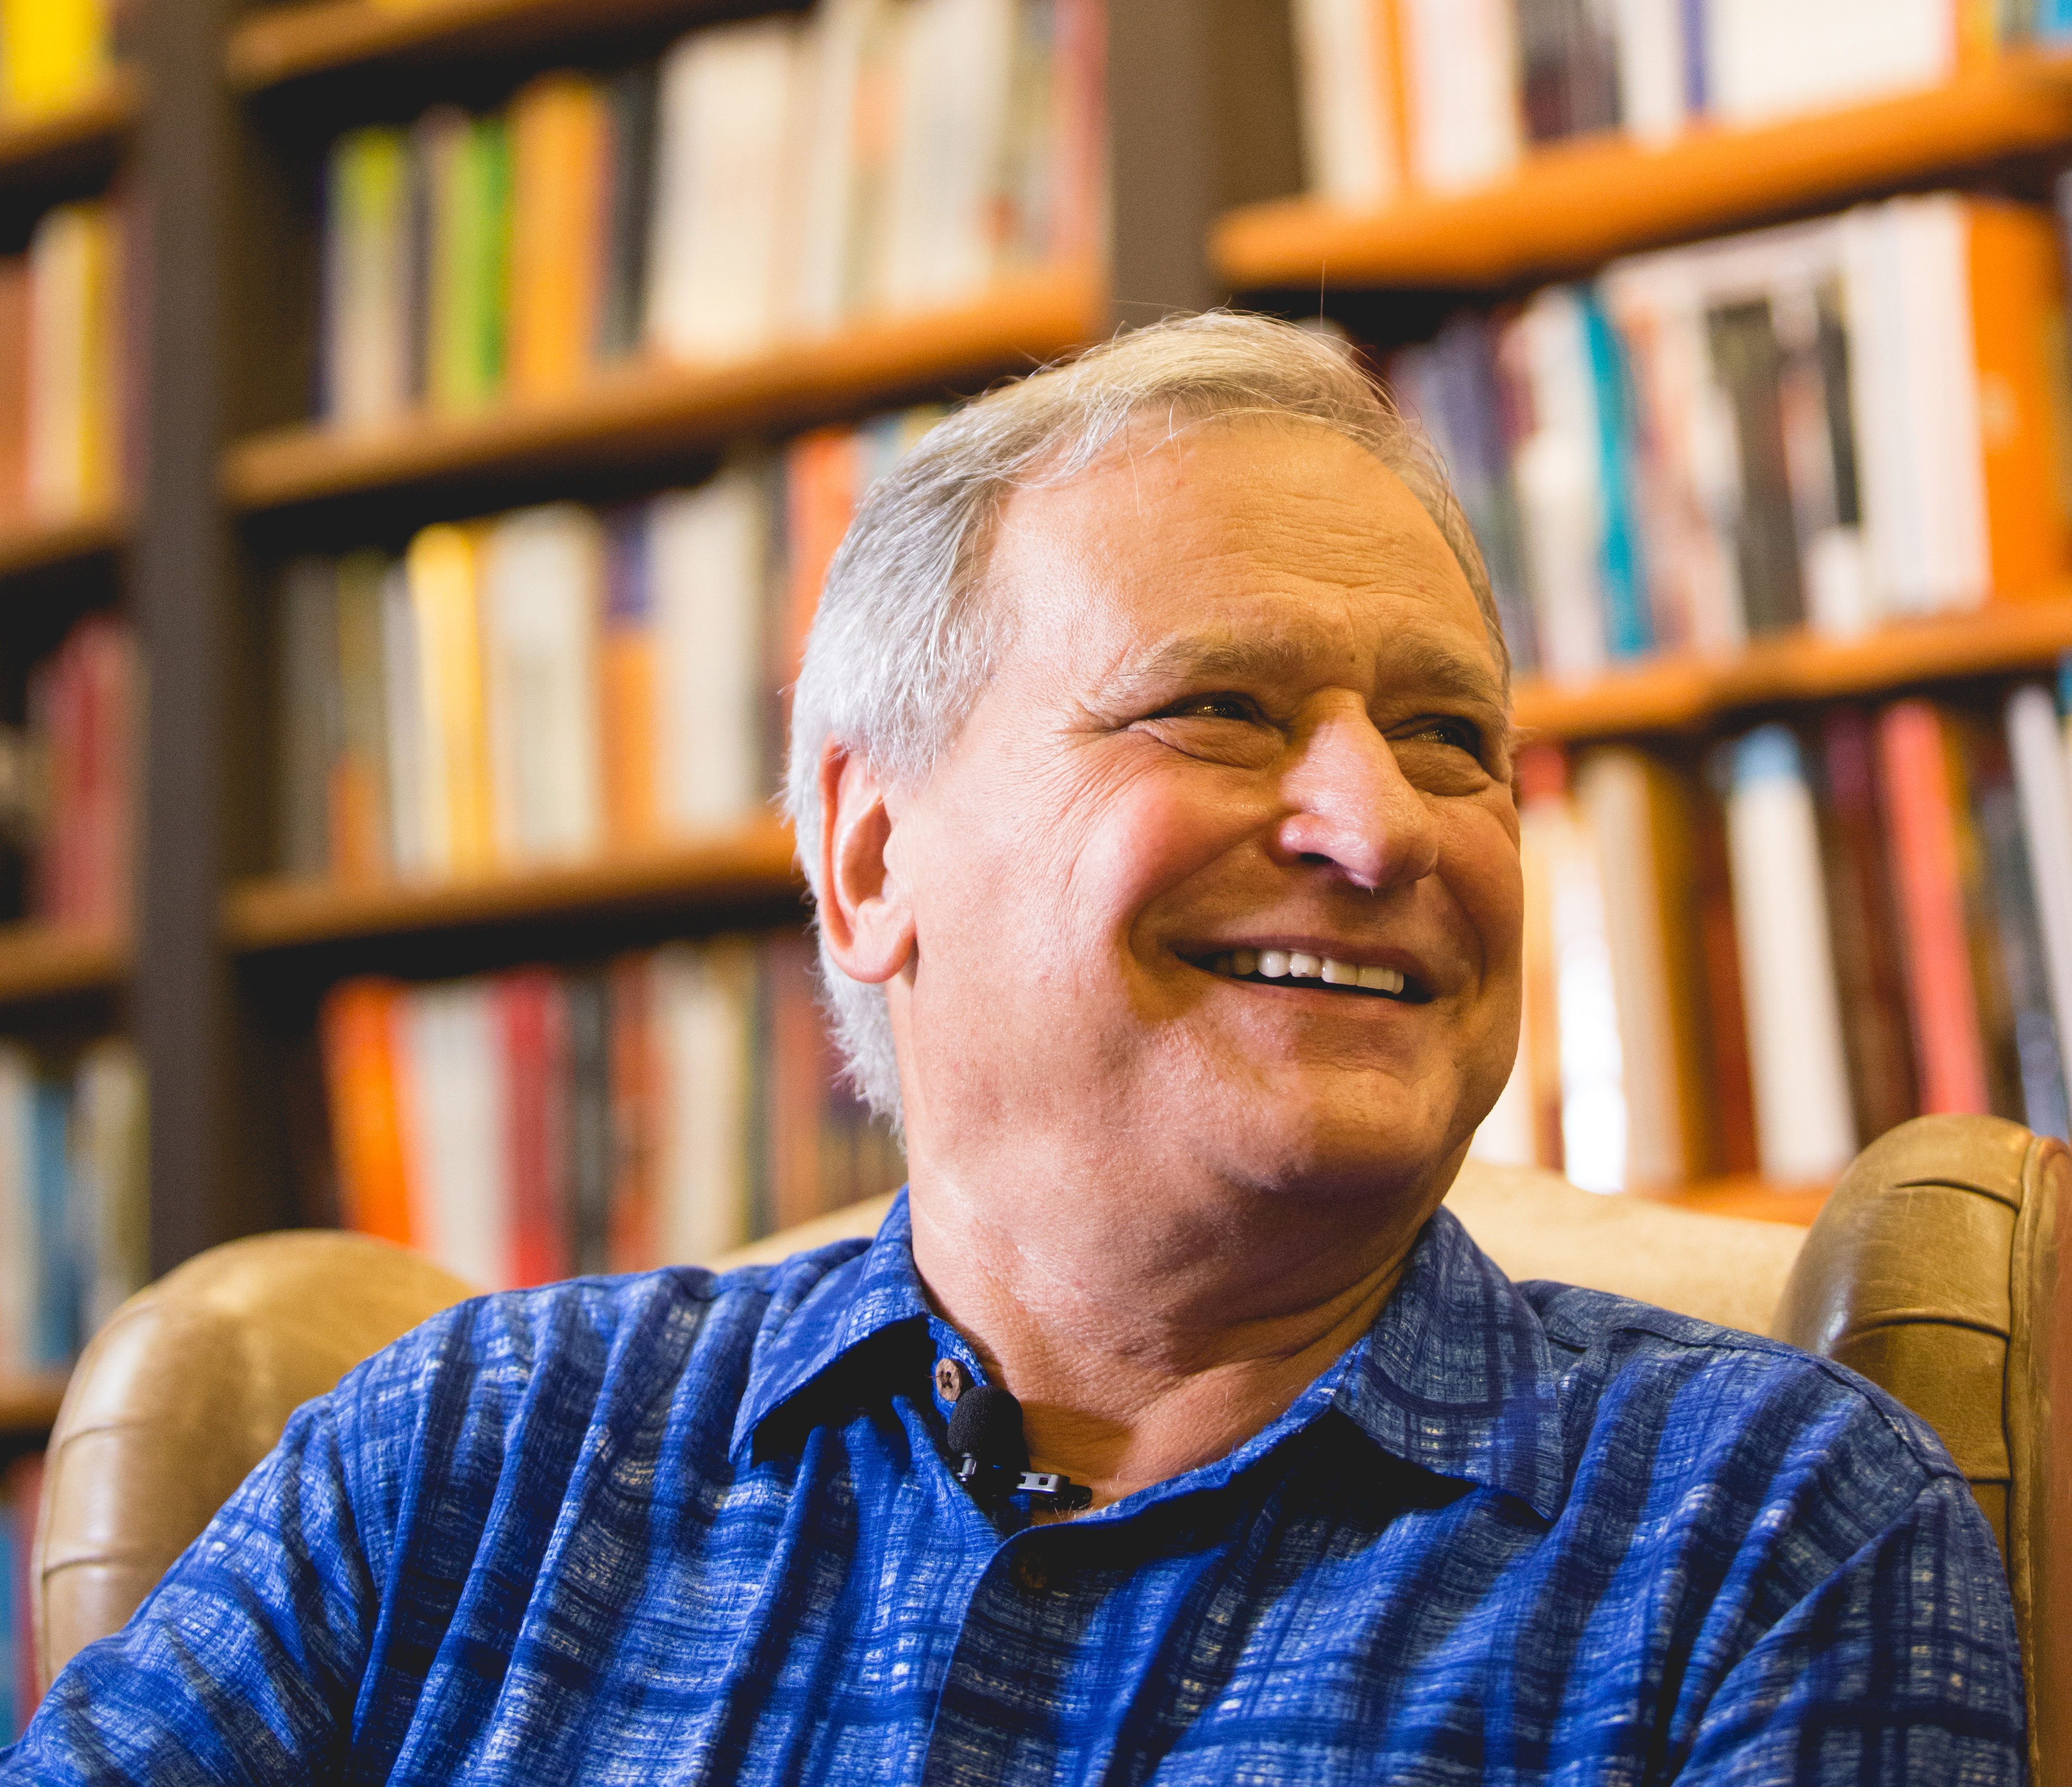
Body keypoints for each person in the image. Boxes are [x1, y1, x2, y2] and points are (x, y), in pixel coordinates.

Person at [4, 314, 2023, 1783]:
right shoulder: (470, 1461)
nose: (1381, 823)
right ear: (874, 860)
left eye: (1450, 738)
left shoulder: (1766, 1532)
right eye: (1218, 708)